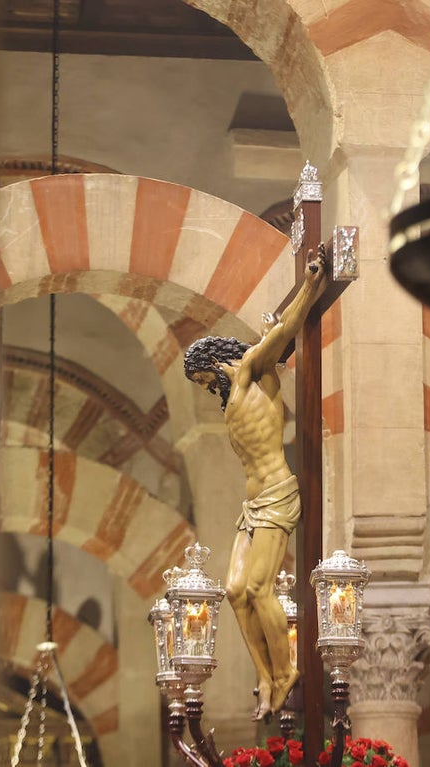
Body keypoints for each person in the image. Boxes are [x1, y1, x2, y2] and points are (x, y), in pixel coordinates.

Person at [183, 256, 325, 720]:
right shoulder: (230, 404)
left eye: (201, 378)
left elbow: (284, 330)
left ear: (210, 362)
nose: (204, 387)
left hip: (277, 496)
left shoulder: (253, 370)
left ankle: (286, 673)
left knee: (260, 587)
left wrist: (310, 284)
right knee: (233, 590)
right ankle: (264, 674)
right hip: (251, 507)